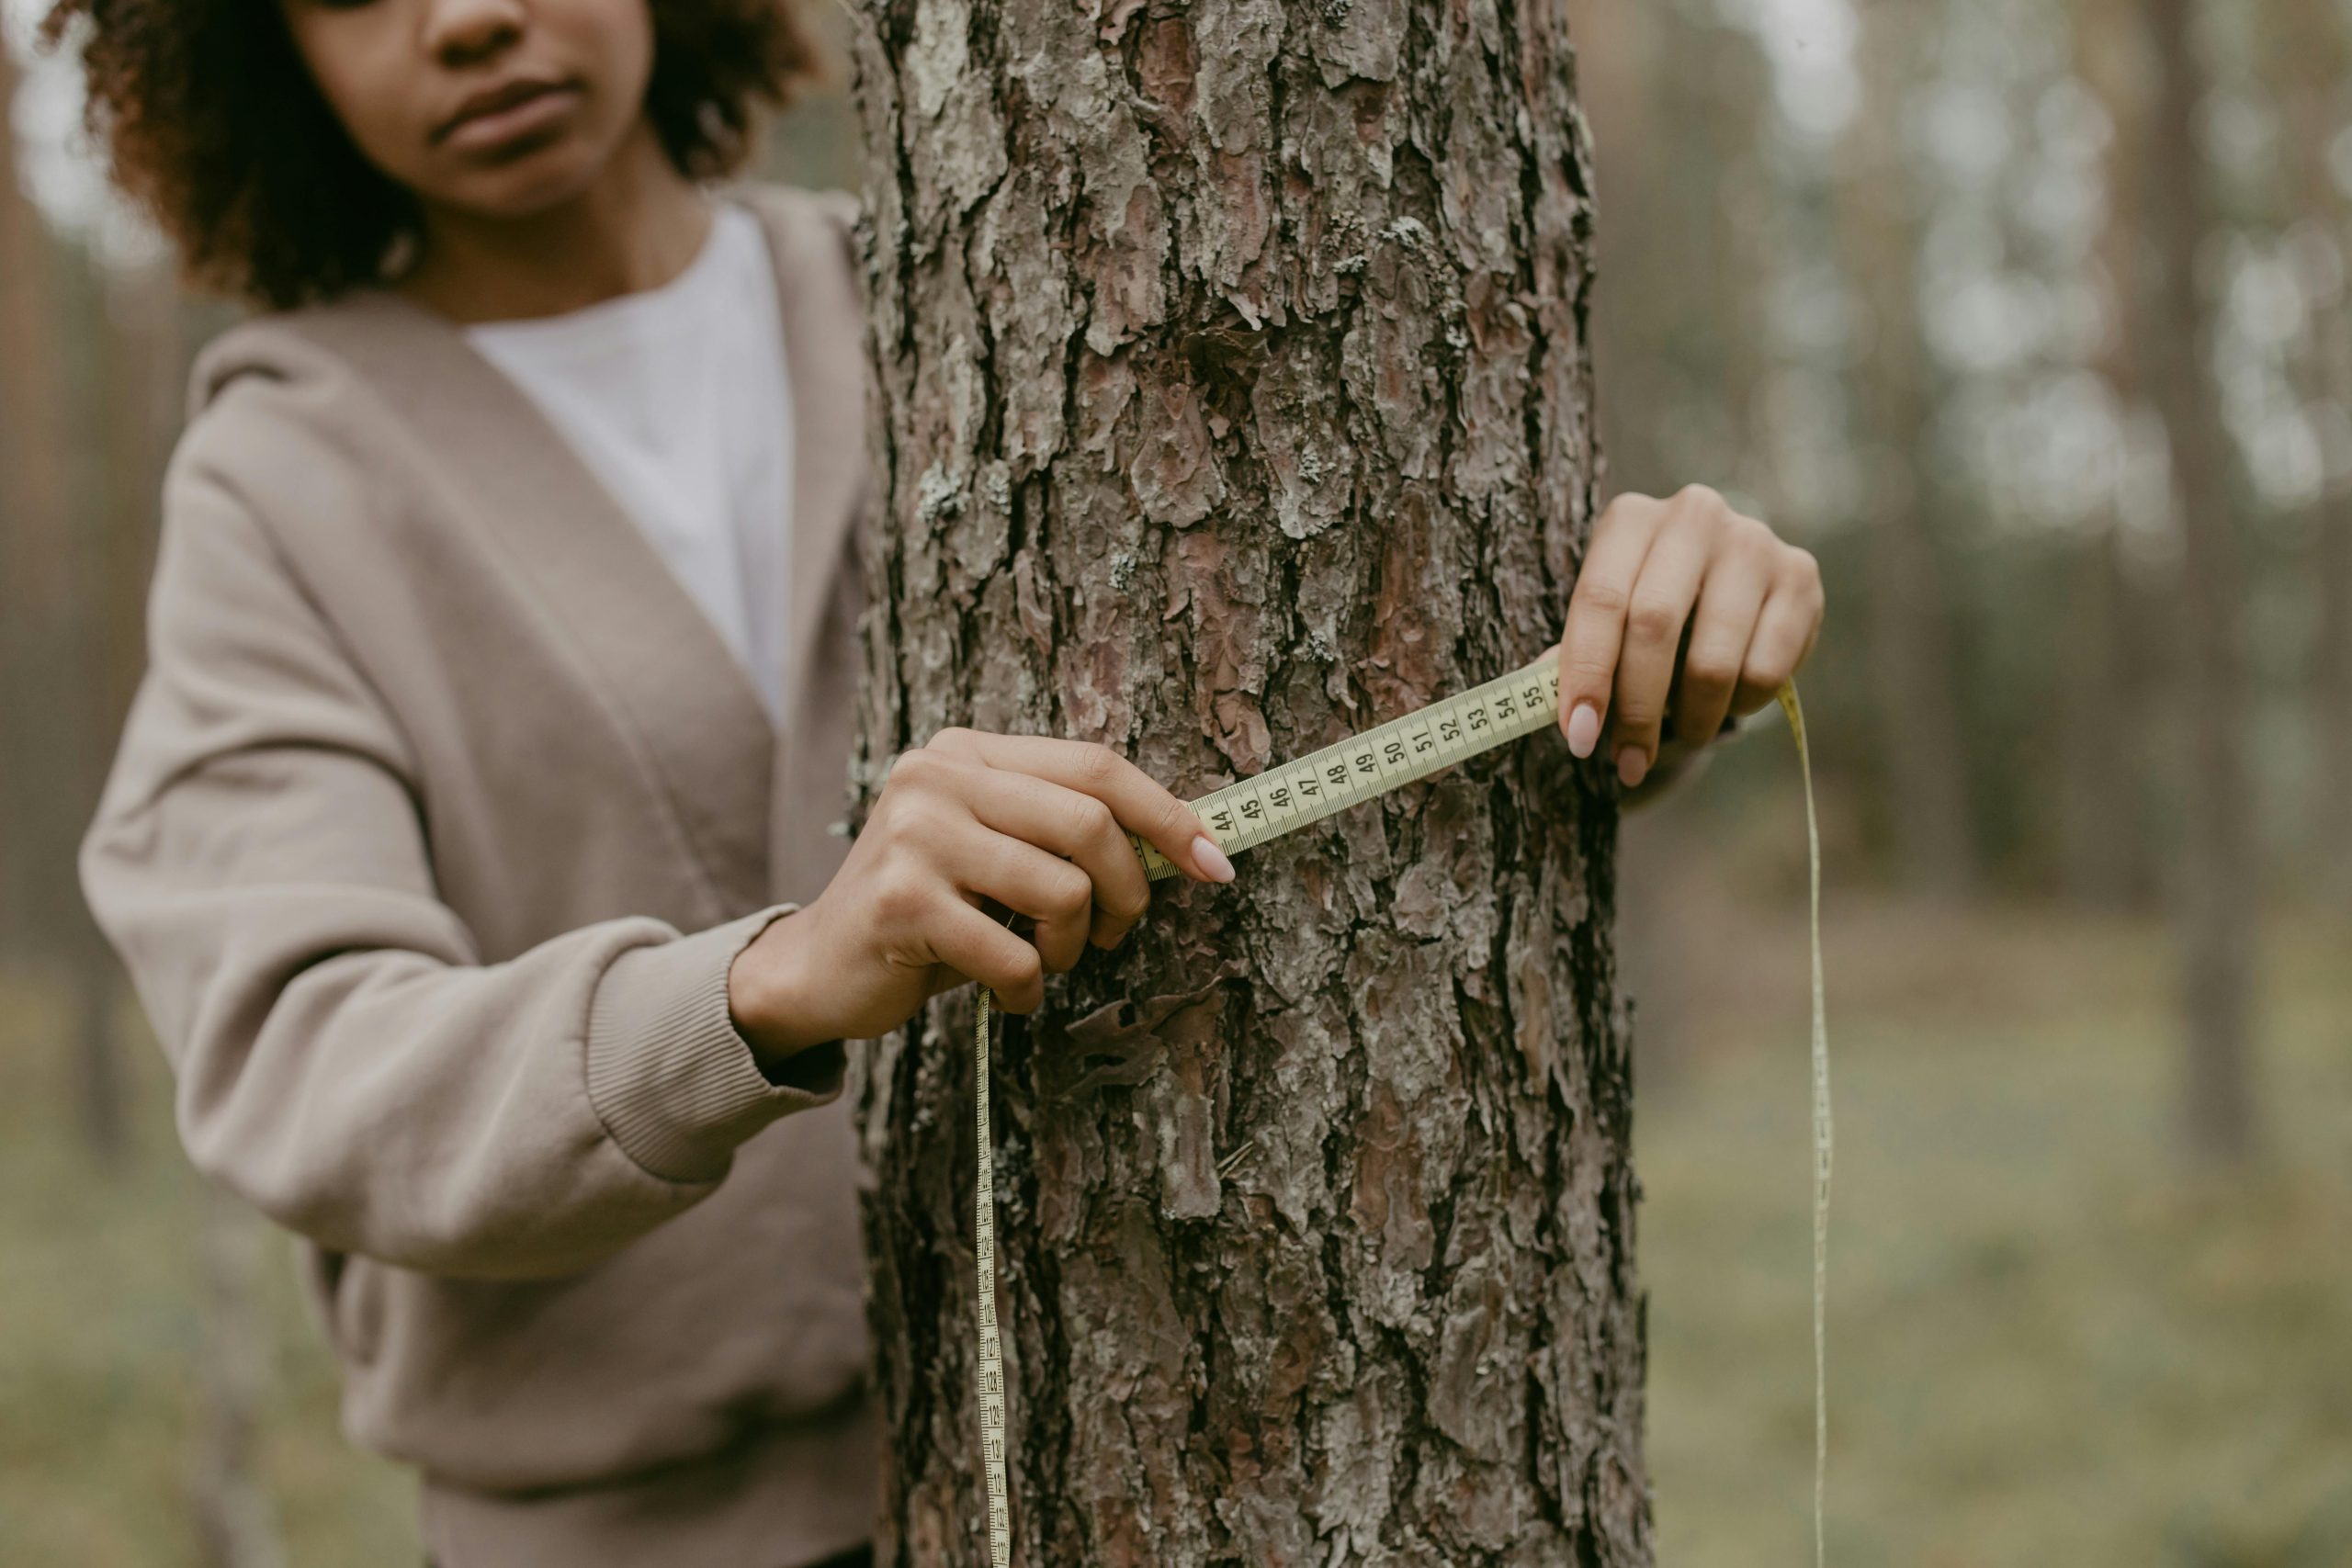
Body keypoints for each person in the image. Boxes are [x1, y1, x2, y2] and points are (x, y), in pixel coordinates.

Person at [51, 0, 1826, 1562]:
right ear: (248, 45)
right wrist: (760, 988)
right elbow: (301, 1057)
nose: (467, 18)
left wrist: (1642, 645)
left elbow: (1296, 731)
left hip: (1120, 1465)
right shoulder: (282, 477)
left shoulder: (973, 293)